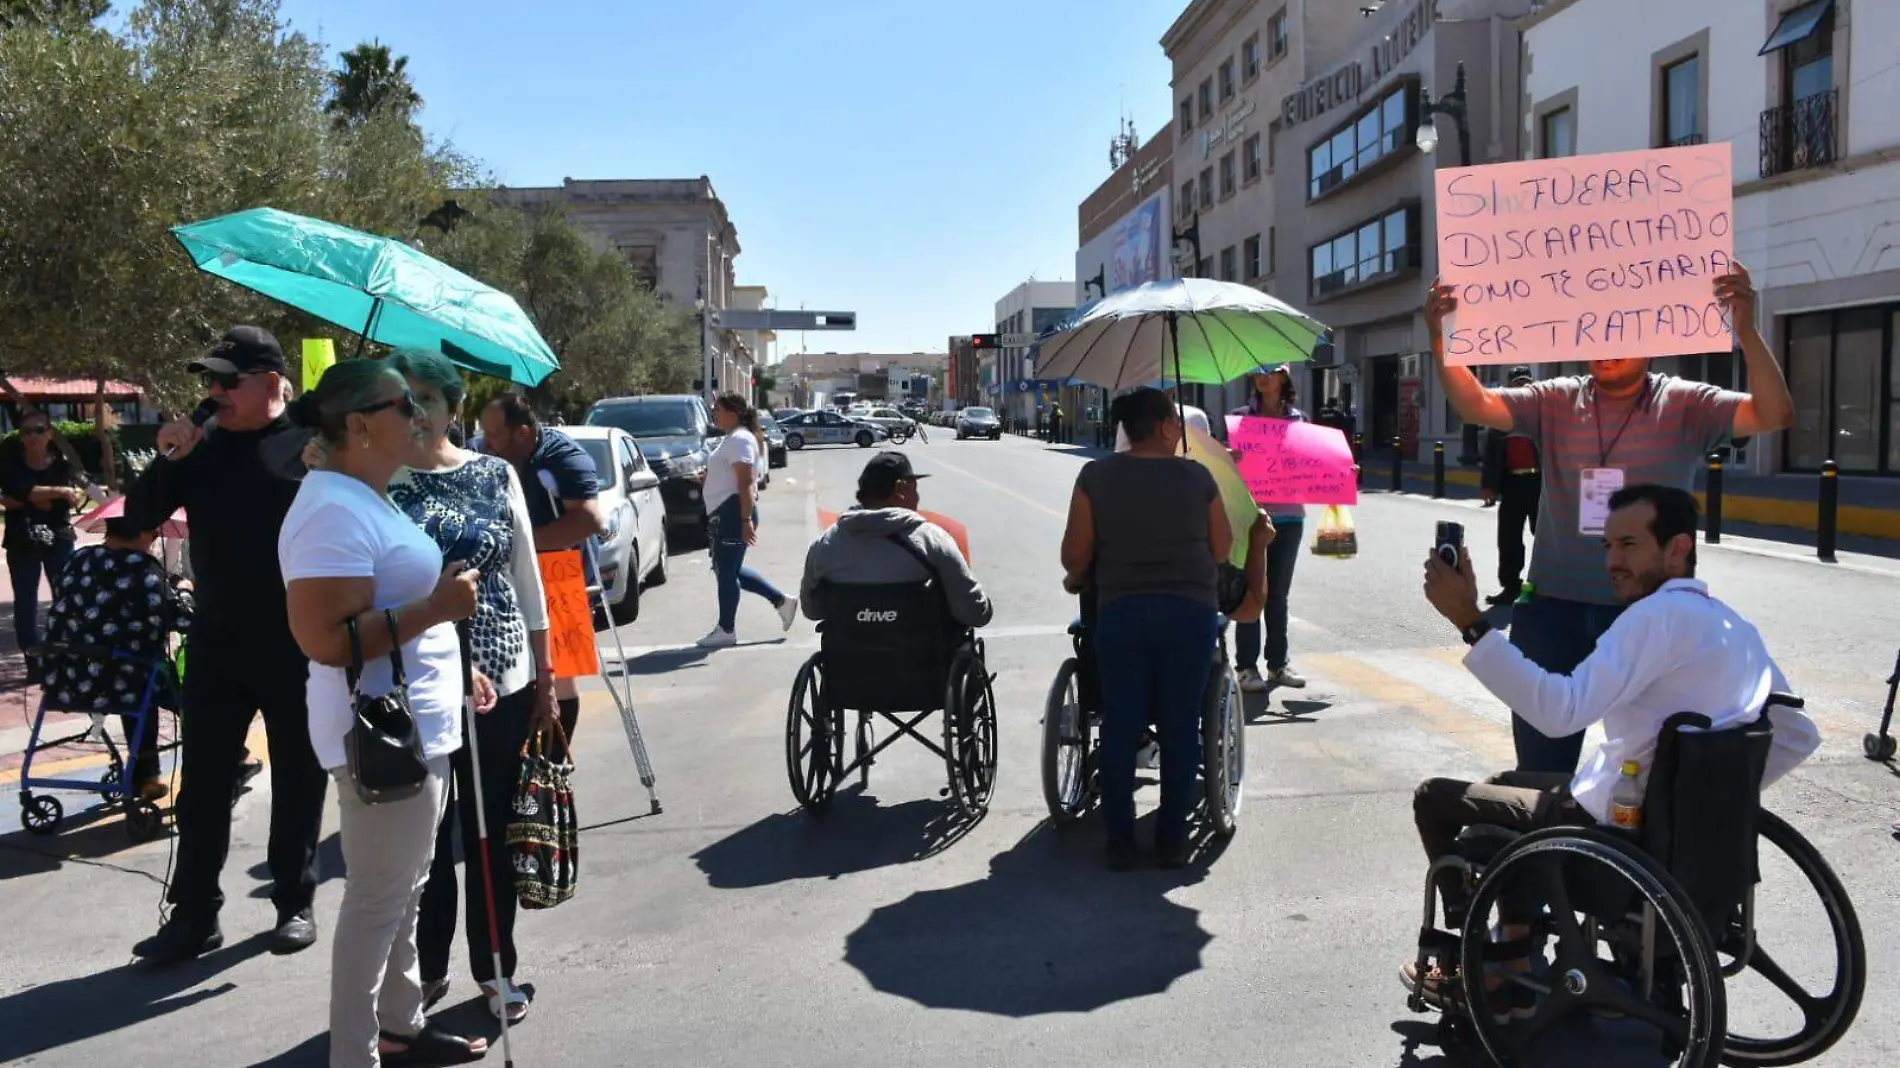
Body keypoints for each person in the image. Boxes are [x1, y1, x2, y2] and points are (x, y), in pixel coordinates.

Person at [1401, 484, 1820, 1012]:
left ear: (1677, 549)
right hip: (1675, 837)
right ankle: (1512, 953)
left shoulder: (1652, 618)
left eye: (1629, 545)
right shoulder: (1732, 626)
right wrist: (1708, 802)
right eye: (1608, 547)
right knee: (1510, 787)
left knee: (1433, 797)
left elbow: (1559, 711)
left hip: (1614, 836)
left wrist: (1470, 621)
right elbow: (1798, 733)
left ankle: (1487, 962)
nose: (1614, 562)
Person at [1427, 262, 1796, 774]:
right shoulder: (1553, 398)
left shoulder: (1687, 403)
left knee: (1655, 773)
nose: (1604, 342)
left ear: (1653, 333)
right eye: (1591, 329)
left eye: (1619, 329)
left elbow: (1774, 414)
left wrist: (1748, 332)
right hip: (1553, 610)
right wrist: (1442, 340)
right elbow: (1477, 405)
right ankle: (1550, 852)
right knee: (1542, 771)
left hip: (1649, 616)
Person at [279, 360, 494, 1068]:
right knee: (377, 901)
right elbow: (325, 639)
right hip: (377, 731)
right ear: (360, 425)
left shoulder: (367, 494)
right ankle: (355, 1055)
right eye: (404, 404)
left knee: (408, 887)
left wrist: (457, 662)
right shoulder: (332, 510)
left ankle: (400, 1023)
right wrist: (436, 607)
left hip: (416, 719)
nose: (421, 414)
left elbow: (393, 608)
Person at [126, 325, 328, 963]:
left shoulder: (308, 444)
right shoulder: (200, 446)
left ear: (270, 382)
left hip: (296, 639)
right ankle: (193, 917)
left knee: (299, 775)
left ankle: (294, 901)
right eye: (208, 381)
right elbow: (135, 518)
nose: (213, 393)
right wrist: (170, 457)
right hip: (216, 641)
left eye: (227, 381)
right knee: (205, 782)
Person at [381, 351, 554, 1025]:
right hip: (418, 680)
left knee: (489, 833)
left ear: (455, 407)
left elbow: (528, 580)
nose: (414, 410)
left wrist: (545, 679)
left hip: (501, 677)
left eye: (425, 397)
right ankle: (427, 970)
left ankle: (496, 968)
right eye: (402, 398)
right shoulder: (382, 480)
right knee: (426, 841)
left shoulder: (495, 473)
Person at [1061, 387, 1231, 871]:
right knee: (1181, 727)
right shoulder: (1198, 479)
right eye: (1176, 422)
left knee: (1120, 725)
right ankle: (1172, 840)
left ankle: (1119, 841)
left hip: (1121, 612)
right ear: (1163, 428)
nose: (1180, 430)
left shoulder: (1094, 476)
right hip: (1189, 613)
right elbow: (1221, 550)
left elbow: (1074, 557)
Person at [41, 516, 194, 800]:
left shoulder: (77, 560)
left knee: (132, 679)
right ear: (141, 532)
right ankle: (206, 764)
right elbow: (182, 618)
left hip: (73, 675)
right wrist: (184, 591)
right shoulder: (144, 570)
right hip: (127, 675)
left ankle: (144, 773)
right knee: (173, 692)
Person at [479, 393, 603, 742]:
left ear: (521, 433)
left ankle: (557, 756)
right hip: (507, 579)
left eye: (494, 435)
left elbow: (589, 519)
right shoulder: (488, 456)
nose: (486, 443)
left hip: (558, 572)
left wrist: (521, 544)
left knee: (559, 674)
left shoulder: (562, 458)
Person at [800, 451, 991, 629]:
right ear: (901, 489)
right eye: (914, 489)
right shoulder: (932, 541)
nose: (917, 497)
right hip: (922, 661)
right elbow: (975, 613)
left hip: (848, 661)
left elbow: (812, 611)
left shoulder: (824, 546)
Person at [1228, 364, 1309, 693]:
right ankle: (1247, 667)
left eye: (1272, 371)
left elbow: (1311, 460)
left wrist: (1342, 470)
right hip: (1251, 517)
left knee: (1278, 596)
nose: (1263, 376)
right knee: (1251, 592)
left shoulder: (1299, 420)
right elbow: (1225, 464)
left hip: (1290, 518)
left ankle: (1278, 664)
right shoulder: (1240, 418)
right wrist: (1228, 456)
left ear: (1284, 377)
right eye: (1257, 371)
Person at [696, 393, 797, 649]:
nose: (714, 413)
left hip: (732, 513)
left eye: (717, 409)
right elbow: (731, 476)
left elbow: (746, 481)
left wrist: (744, 520)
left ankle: (726, 629)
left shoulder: (740, 439)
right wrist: (708, 478)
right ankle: (782, 601)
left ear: (733, 413)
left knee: (726, 571)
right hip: (726, 511)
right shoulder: (732, 438)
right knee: (730, 568)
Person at [2, 410, 86, 683]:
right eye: (26, 431)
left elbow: (74, 497)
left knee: (66, 599)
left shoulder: (62, 465)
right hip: (22, 539)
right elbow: (20, 493)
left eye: (38, 430)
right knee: (25, 603)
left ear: (49, 433)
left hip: (59, 539)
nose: (32, 436)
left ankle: (64, 657)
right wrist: (57, 493)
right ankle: (34, 664)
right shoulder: (11, 463)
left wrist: (33, 497)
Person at [1478, 366, 1542, 606]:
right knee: (1508, 538)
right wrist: (1488, 487)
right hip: (1513, 484)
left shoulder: (1542, 417)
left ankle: (1543, 586)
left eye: (1525, 385)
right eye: (1517, 386)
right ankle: (1510, 586)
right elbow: (1491, 457)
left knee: (1545, 537)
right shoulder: (1500, 420)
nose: (1521, 390)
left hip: (1540, 484)